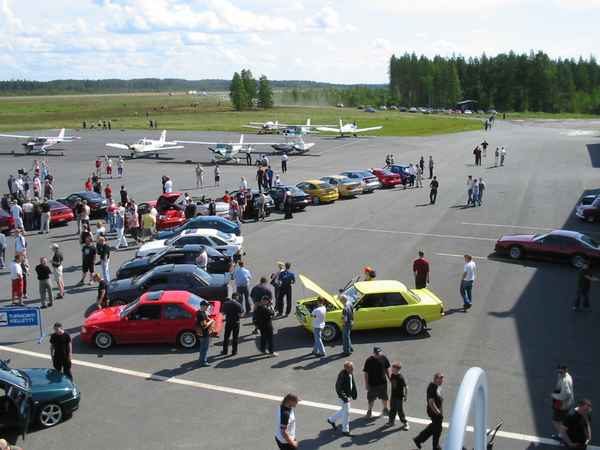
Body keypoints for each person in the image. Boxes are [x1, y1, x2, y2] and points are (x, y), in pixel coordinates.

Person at [412, 372, 444, 450]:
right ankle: (435, 446)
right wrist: (438, 412)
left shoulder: (436, 386)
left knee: (435, 428)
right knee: (437, 429)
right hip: (434, 412)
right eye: (440, 379)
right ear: (435, 379)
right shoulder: (432, 388)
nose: (441, 380)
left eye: (442, 379)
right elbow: (431, 403)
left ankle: (419, 439)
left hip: (437, 412)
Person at [327, 361, 357, 436]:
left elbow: (352, 383)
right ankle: (345, 430)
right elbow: (338, 388)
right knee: (346, 413)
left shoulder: (350, 373)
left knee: (344, 411)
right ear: (346, 368)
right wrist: (345, 398)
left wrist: (354, 393)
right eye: (351, 368)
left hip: (347, 396)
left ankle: (331, 420)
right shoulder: (342, 375)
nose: (353, 369)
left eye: (353, 367)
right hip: (343, 397)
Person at [363, 346, 391, 419]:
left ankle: (385, 409)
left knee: (384, 397)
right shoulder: (369, 360)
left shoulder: (384, 358)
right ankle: (369, 412)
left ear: (381, 352)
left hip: (383, 383)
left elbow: (387, 368)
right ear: (373, 353)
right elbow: (366, 373)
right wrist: (366, 384)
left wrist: (389, 378)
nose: (378, 354)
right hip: (372, 384)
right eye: (376, 353)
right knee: (371, 399)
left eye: (379, 352)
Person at [551, 365, 575, 440]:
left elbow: (566, 394)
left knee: (555, 421)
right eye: (558, 371)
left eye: (561, 372)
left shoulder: (565, 381)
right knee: (563, 421)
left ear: (564, 371)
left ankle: (563, 436)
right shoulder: (567, 376)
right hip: (568, 403)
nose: (559, 373)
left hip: (562, 405)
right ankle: (564, 434)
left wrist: (554, 395)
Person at [386, 361, 409, 429]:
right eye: (392, 368)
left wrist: (405, 396)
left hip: (399, 397)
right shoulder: (392, 375)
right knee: (392, 409)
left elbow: (406, 387)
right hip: (393, 396)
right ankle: (391, 422)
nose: (391, 369)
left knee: (400, 410)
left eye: (393, 369)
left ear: (397, 369)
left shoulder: (400, 378)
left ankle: (405, 423)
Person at [195, 300, 214, 367]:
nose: (207, 308)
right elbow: (204, 326)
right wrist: (211, 321)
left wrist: (208, 319)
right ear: (203, 306)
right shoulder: (201, 314)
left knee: (202, 347)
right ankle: (203, 362)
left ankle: (201, 360)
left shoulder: (199, 312)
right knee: (204, 348)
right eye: (207, 306)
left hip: (200, 333)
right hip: (204, 333)